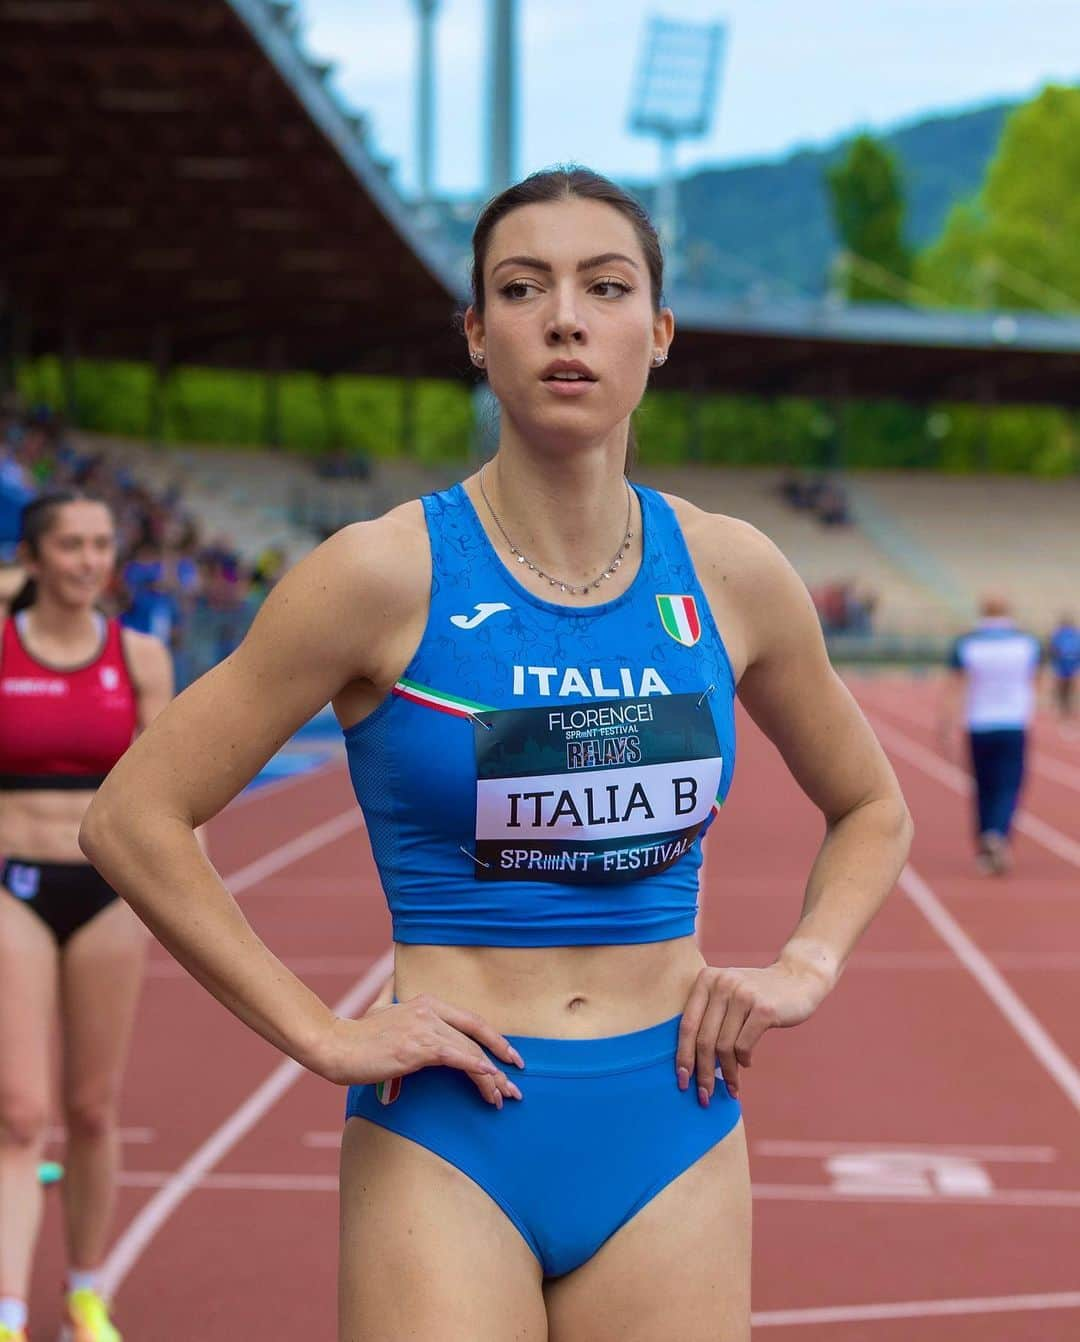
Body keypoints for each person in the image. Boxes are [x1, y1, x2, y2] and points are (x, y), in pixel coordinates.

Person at [80, 168, 912, 1342]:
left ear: (658, 333)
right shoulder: (380, 572)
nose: (565, 316)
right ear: (477, 333)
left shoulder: (734, 573)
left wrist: (805, 968)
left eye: (605, 286)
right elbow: (132, 817)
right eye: (523, 288)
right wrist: (319, 1031)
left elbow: (873, 804)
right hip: (451, 1128)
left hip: (669, 1123)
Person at [0, 492, 173, 1342]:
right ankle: (7, 1312)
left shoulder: (139, 656)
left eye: (100, 544)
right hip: (11, 888)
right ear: (33, 558)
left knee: (94, 1109)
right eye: (70, 544)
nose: (87, 560)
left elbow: (169, 796)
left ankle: (84, 1291)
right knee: (21, 1110)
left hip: (107, 893)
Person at [942, 593, 1042, 875]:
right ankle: (998, 833)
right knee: (1009, 784)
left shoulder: (968, 643)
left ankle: (986, 840)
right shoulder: (1027, 643)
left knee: (983, 786)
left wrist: (946, 725)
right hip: (1013, 723)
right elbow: (1037, 681)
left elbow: (954, 687)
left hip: (979, 723)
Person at [1047, 612, 1080, 725]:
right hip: (1063, 666)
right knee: (1064, 690)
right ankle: (1064, 710)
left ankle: (1066, 710)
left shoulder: (1073, 635)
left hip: (1068, 666)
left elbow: (1053, 650)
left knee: (1066, 690)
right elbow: (1053, 650)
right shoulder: (1060, 635)